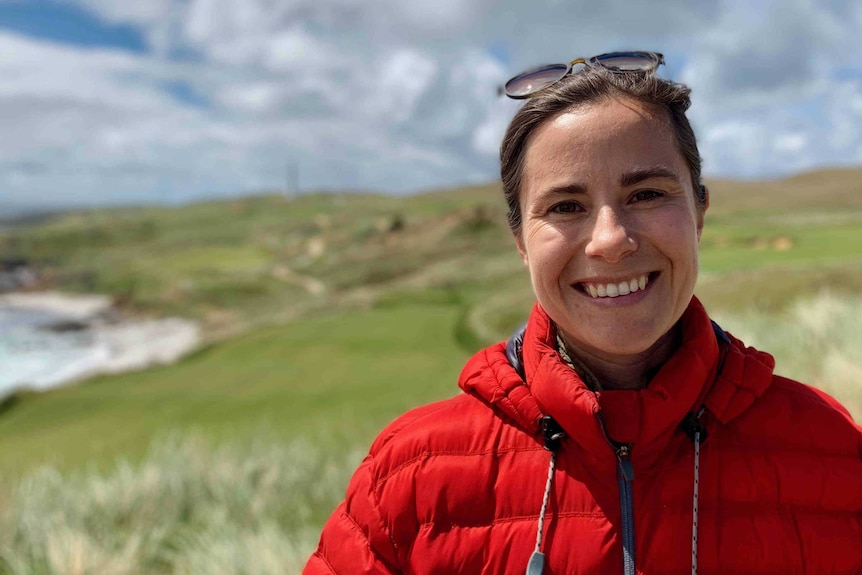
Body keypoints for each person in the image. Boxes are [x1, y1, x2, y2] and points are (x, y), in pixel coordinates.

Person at [303, 51, 861, 575]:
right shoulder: (409, 475)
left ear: (700, 212)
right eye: (565, 207)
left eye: (646, 194)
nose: (610, 240)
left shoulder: (835, 451)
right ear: (521, 240)